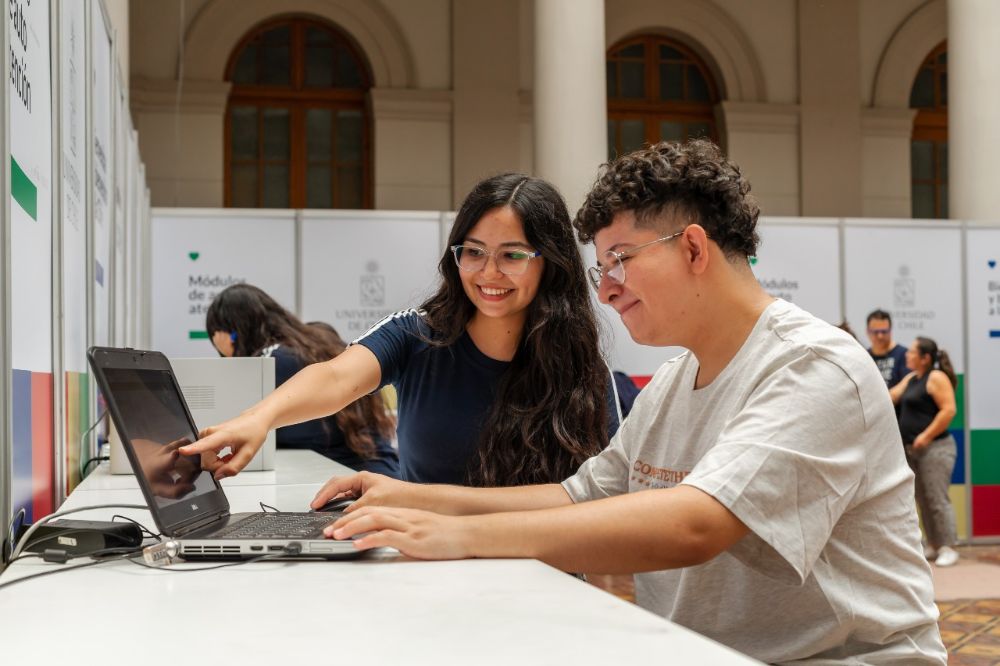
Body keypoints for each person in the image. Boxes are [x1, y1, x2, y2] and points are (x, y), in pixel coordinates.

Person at [302, 140, 946, 664]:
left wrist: (459, 536)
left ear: (693, 248)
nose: (606, 290)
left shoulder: (813, 365)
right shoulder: (672, 383)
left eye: (620, 261)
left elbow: (696, 524)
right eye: (601, 268)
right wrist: (414, 499)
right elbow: (578, 496)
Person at [184, 173, 620, 487]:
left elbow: (592, 503)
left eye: (512, 255)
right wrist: (258, 419)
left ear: (551, 263)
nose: (489, 273)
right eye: (473, 252)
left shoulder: (580, 368)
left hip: (543, 578)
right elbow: (335, 376)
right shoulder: (417, 335)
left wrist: (410, 502)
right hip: (428, 570)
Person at [205, 284, 400, 476]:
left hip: (354, 478)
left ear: (230, 333)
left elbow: (245, 427)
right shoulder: (317, 339)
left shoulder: (270, 362)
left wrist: (230, 352)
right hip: (382, 470)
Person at [889, 336, 960, 567]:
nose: (907, 355)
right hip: (913, 451)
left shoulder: (936, 377)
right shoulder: (912, 378)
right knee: (922, 498)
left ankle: (949, 546)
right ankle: (934, 544)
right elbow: (891, 396)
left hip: (936, 448)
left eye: (912, 352)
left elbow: (949, 410)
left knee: (937, 498)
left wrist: (926, 436)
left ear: (925, 358)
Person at [866, 308, 908, 389]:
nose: (880, 336)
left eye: (884, 331)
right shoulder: (864, 356)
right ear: (867, 331)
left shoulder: (904, 355)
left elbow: (908, 388)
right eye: (876, 332)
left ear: (890, 331)